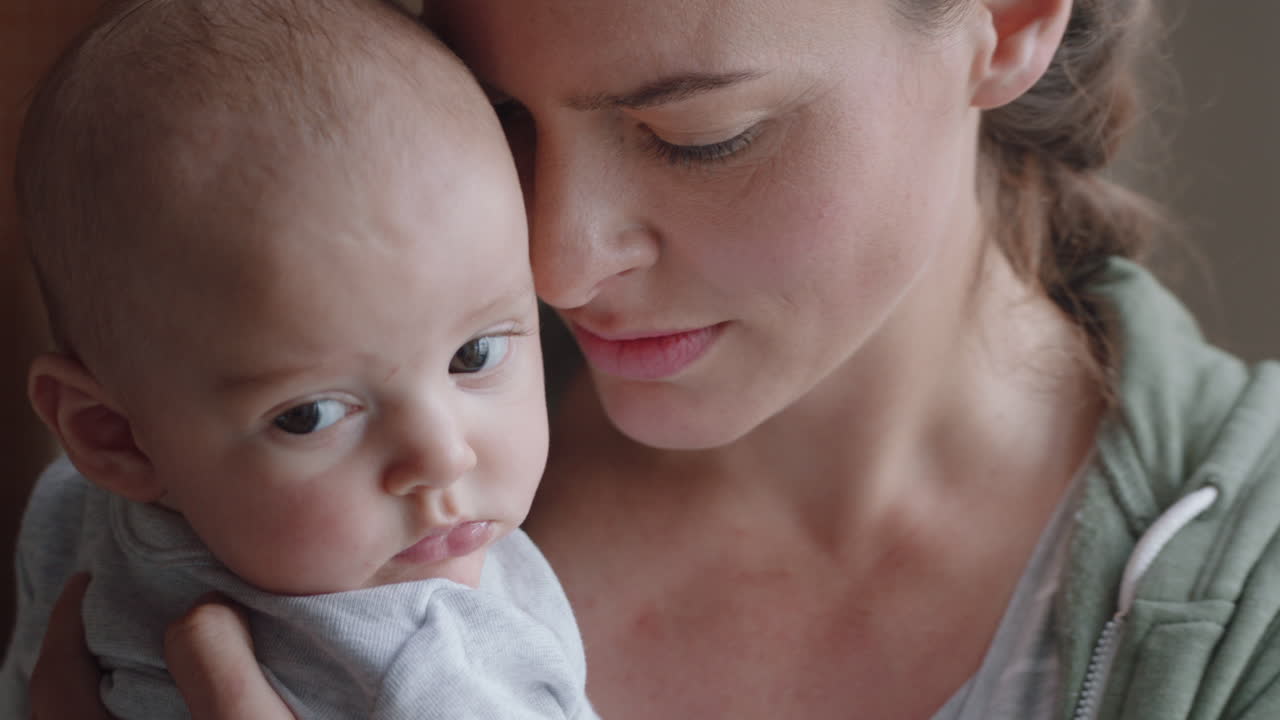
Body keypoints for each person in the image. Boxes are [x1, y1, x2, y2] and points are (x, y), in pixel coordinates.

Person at [25, 0, 1280, 718]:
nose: (559, 266)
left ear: (1002, 21)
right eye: (501, 118)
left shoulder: (1249, 604)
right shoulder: (198, 518)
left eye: (696, 135)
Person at [0, 0, 598, 718]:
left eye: (474, 354)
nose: (442, 457)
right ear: (115, 436)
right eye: (310, 414)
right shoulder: (437, 665)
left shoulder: (69, 510)